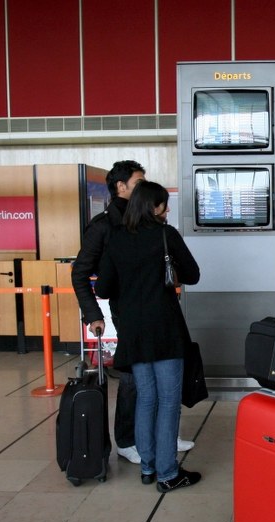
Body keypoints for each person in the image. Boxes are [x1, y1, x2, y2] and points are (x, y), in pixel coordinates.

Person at [71, 161, 195, 463]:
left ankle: (159, 441)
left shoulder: (150, 225)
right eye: (138, 182)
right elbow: (81, 273)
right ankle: (128, 441)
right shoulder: (104, 226)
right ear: (121, 187)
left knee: (158, 389)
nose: (143, 187)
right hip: (126, 312)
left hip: (152, 310)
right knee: (134, 383)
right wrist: (93, 315)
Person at [93, 181, 202, 492]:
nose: (166, 210)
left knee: (147, 398)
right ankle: (168, 474)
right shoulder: (166, 235)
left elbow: (101, 288)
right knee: (168, 401)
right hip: (165, 329)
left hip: (133, 331)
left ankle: (148, 467)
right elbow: (193, 275)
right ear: (154, 207)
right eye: (163, 205)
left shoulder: (115, 238)